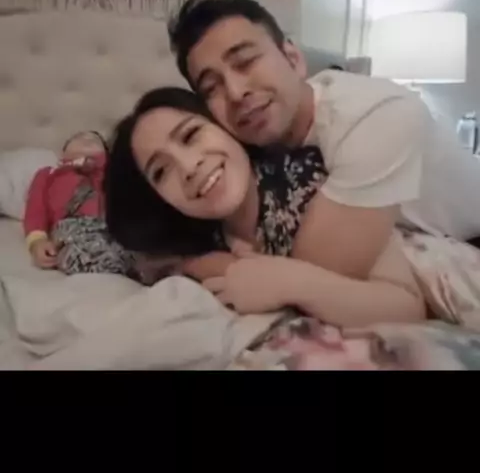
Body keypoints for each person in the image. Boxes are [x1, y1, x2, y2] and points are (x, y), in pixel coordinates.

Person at [166, 0, 480, 287]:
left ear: (293, 59)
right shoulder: (242, 148)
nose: (235, 93)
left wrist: (195, 264)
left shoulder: (375, 116)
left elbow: (312, 276)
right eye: (211, 88)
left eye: (245, 62)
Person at [104, 87, 425, 328]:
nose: (189, 167)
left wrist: (291, 283)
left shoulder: (308, 180)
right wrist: (203, 265)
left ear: (226, 128)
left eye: (191, 136)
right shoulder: (197, 234)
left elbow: (406, 306)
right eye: (161, 172)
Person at [24, 130, 131, 276]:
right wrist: (37, 241)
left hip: (113, 224)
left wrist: (100, 164)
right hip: (72, 226)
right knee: (80, 253)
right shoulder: (49, 174)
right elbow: (35, 210)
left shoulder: (112, 171)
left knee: (132, 245)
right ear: (63, 154)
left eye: (96, 140)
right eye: (78, 139)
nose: (87, 138)